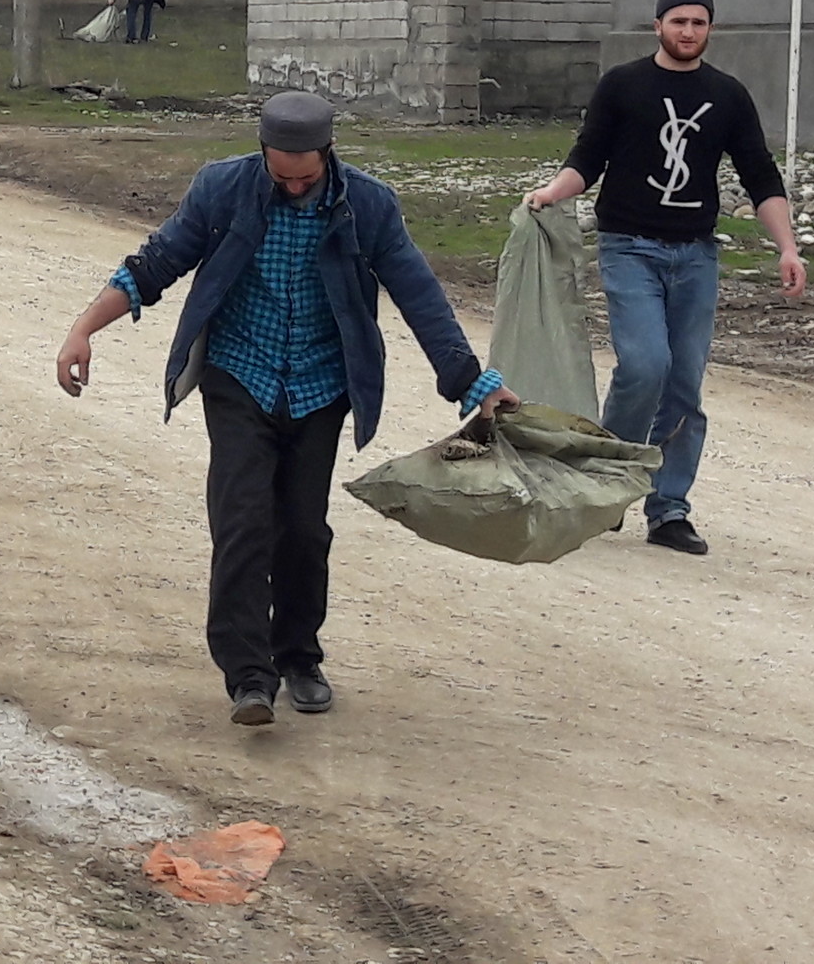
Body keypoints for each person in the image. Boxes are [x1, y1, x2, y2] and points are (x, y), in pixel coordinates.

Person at [56, 90, 518, 726]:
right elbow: (156, 263)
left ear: (329, 153)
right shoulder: (221, 190)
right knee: (243, 521)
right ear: (262, 153)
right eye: (282, 175)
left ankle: (298, 655)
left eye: (307, 175)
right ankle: (248, 676)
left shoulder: (370, 206)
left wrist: (473, 383)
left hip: (323, 384)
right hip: (238, 376)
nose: (296, 186)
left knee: (303, 529)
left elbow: (420, 295)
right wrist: (84, 329)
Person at [525, 0, 806, 557]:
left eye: (698, 22)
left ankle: (669, 508)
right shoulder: (623, 85)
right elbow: (588, 157)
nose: (688, 31)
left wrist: (787, 247)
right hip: (629, 247)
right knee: (646, 364)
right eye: (678, 21)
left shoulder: (727, 95)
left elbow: (760, 175)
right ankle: (608, 483)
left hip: (695, 255)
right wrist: (554, 193)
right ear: (658, 25)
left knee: (683, 382)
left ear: (709, 29)